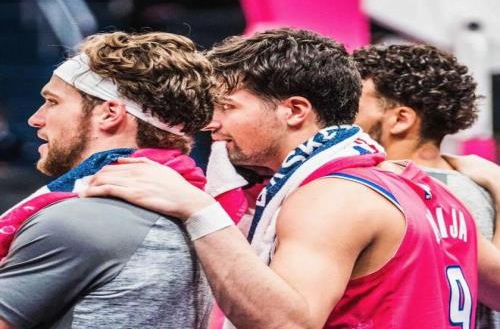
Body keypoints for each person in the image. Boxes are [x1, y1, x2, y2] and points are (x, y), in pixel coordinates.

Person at [85, 28, 500, 329]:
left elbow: (288, 324)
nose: (212, 123)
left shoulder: (334, 196)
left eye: (228, 106)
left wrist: (200, 211)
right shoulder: (417, 186)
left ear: (295, 111)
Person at [0, 31, 216, 329]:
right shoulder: (196, 215)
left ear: (110, 113)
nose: (36, 119)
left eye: (52, 102)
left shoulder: (77, 223)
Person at [353, 42, 500, 328]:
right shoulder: (464, 182)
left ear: (400, 119)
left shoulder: (440, 190)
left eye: (353, 103)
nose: (342, 113)